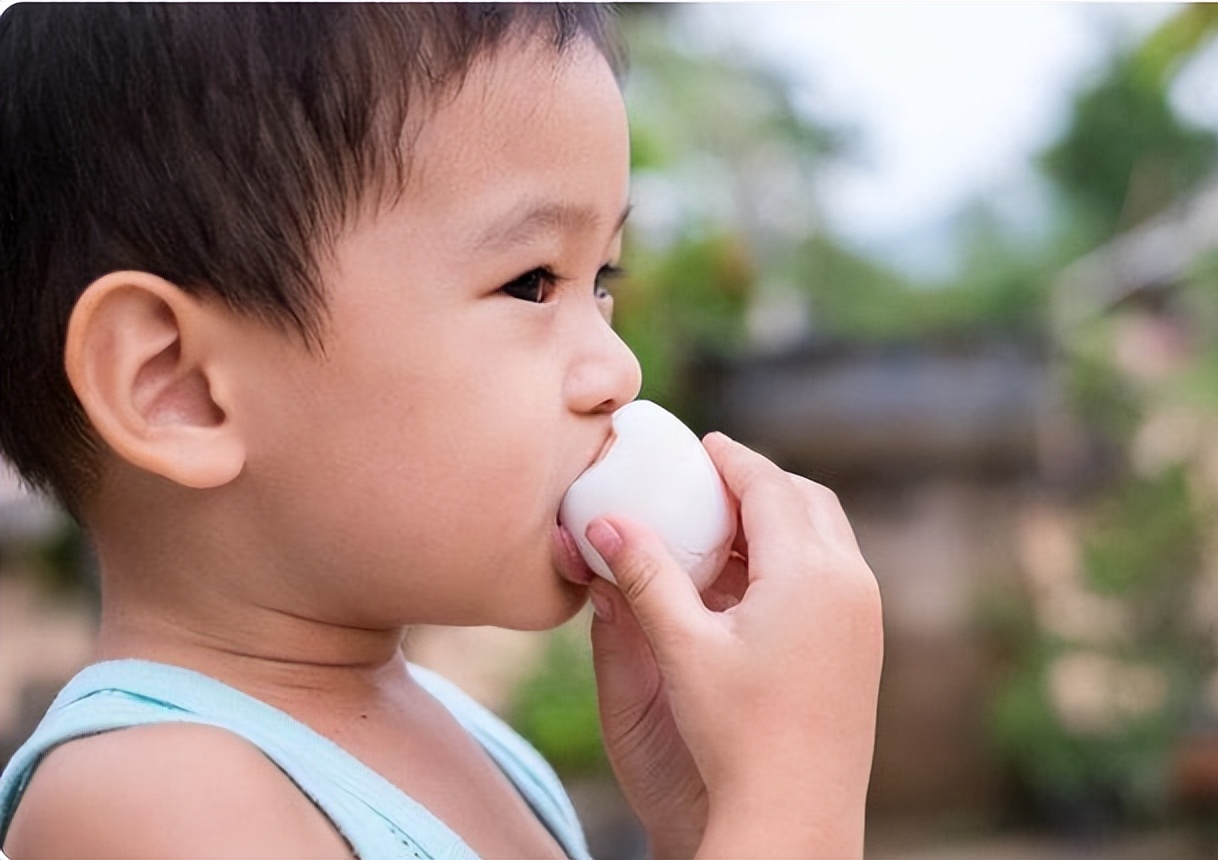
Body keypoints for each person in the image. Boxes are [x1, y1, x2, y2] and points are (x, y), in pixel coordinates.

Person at [0, 5, 883, 858]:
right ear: (180, 388)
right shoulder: (153, 803)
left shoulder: (462, 735)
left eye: (600, 277)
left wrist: (707, 823)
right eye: (534, 282)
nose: (620, 369)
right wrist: (794, 803)